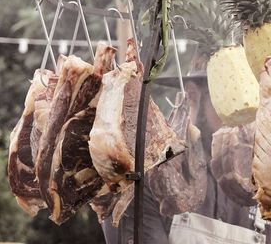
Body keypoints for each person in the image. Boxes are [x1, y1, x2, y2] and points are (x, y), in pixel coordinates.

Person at [102, 74, 270, 244]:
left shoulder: (263, 184)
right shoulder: (150, 178)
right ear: (192, 95)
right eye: (229, 96)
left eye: (249, 97)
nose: (242, 109)